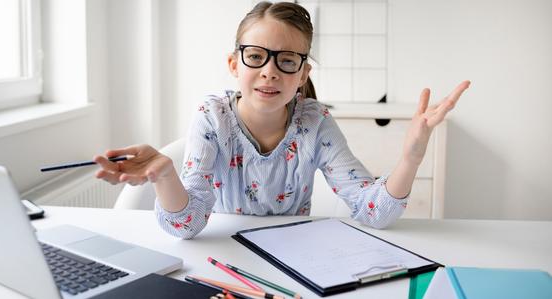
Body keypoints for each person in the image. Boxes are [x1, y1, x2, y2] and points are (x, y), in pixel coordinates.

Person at [94, 1, 470, 239]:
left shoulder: (316, 122)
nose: (271, 72)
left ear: (302, 74)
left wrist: (412, 157)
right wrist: (164, 173)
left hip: (291, 260)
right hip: (226, 254)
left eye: (287, 60)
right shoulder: (212, 118)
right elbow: (186, 225)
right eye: (256, 56)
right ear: (234, 63)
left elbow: (375, 211)